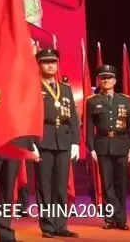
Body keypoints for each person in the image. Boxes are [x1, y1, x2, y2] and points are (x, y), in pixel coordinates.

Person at [31, 48, 79, 238]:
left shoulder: (65, 88)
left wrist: (75, 142)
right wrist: (32, 143)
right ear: (39, 64)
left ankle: (61, 224)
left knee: (60, 185)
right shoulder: (33, 87)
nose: (51, 65)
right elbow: (29, 116)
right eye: (46, 62)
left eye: (53, 62)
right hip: (43, 139)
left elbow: (73, 117)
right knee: (45, 185)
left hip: (64, 140)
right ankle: (48, 226)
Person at [85, 64, 130, 231]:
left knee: (121, 184)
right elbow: (89, 127)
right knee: (107, 184)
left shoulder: (124, 100)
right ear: (99, 81)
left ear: (115, 80)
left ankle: (121, 219)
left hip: (122, 145)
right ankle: (110, 218)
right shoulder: (92, 101)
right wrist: (91, 148)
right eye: (103, 78)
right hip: (103, 146)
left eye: (109, 78)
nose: (106, 80)